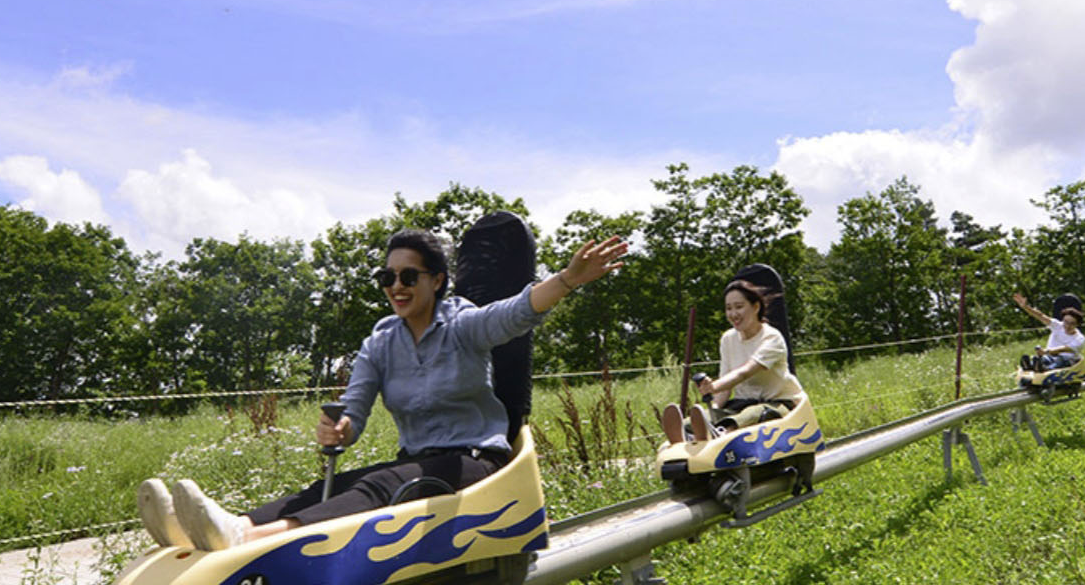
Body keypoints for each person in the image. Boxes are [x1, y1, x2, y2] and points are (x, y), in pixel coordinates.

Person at [137, 228, 628, 551]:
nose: (396, 285)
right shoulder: (380, 342)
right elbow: (354, 413)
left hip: (476, 459)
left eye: (408, 275)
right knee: (340, 484)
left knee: (381, 485)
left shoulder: (463, 326)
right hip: (420, 458)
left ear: (436, 280)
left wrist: (567, 279)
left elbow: (516, 312)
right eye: (387, 277)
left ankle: (246, 539)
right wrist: (340, 428)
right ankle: (214, 528)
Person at [660, 279, 807, 444]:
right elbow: (726, 383)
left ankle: (721, 435)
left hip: (778, 402)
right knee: (692, 422)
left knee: (750, 415)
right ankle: (688, 435)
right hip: (742, 403)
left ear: (756, 307)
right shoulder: (728, 339)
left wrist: (713, 386)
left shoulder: (772, 338)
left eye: (739, 307)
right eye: (728, 308)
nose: (733, 314)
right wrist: (714, 410)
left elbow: (745, 372)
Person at [1012, 292, 1085, 372]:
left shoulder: (1080, 339)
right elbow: (1041, 316)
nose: (1067, 326)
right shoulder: (1057, 325)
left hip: (1066, 361)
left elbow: (1064, 349)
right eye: (1066, 322)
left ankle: (1045, 369)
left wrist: (1046, 351)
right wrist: (1026, 307)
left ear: (1077, 324)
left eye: (1072, 324)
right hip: (1049, 356)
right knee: (1042, 359)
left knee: (1060, 361)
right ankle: (1031, 366)